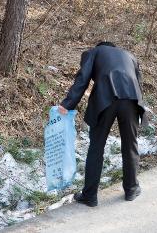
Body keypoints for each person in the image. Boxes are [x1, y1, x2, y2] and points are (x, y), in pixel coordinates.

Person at [59, 41, 146, 207]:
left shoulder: (94, 52)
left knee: (96, 146)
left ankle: (90, 195)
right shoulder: (130, 56)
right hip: (132, 99)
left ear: (100, 46)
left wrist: (68, 104)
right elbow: (138, 83)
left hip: (106, 99)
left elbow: (83, 78)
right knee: (130, 145)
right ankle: (131, 189)